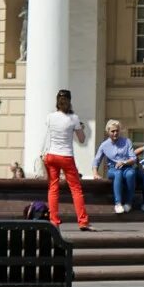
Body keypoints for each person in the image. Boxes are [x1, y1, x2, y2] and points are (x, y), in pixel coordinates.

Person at [40, 89, 90, 231]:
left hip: (51, 156)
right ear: (69, 101)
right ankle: (82, 221)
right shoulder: (73, 118)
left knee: (53, 188)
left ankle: (54, 220)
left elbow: (48, 135)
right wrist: (81, 127)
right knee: (76, 189)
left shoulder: (50, 117)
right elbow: (82, 140)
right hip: (66, 156)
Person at [95, 120, 142, 214]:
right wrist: (95, 173)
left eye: (117, 131)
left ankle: (128, 203)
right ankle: (118, 203)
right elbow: (96, 160)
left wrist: (124, 162)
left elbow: (133, 158)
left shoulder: (127, 141)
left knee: (131, 174)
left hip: (127, 167)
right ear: (108, 132)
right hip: (113, 169)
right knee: (118, 173)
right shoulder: (104, 145)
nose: (115, 133)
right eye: (112, 131)